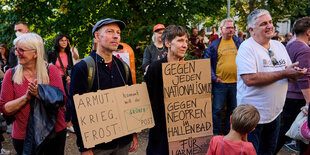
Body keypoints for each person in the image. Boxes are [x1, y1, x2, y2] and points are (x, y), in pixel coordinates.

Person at [236, 9, 307, 154]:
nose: (269, 26)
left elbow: (288, 74)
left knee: (268, 152)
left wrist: (296, 74)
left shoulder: (279, 46)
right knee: (251, 152)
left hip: (274, 114)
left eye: (270, 22)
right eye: (263, 24)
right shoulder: (246, 48)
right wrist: (284, 73)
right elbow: (250, 79)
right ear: (251, 30)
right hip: (251, 117)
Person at [70, 18, 138, 155]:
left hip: (123, 143)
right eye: (110, 31)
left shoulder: (123, 67)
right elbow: (75, 109)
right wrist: (84, 147)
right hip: (98, 147)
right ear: (97, 36)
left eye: (118, 33)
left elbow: (130, 102)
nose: (115, 36)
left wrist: (134, 133)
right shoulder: (83, 68)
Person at [0, 33, 66, 154]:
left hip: (53, 133)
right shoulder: (11, 74)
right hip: (23, 137)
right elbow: (5, 108)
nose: (16, 53)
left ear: (35, 53)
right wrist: (26, 98)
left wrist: (40, 93)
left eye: (22, 50)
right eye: (16, 49)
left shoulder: (51, 70)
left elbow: (62, 100)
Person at [145, 25, 189, 155]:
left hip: (183, 132)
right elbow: (147, 99)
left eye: (186, 41)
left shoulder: (190, 70)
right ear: (167, 43)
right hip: (160, 134)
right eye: (180, 40)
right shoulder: (155, 68)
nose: (185, 45)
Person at [275, 17, 310, 154]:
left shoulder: (290, 44)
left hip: (288, 93)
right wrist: (308, 101)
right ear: (308, 32)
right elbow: (304, 77)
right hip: (298, 96)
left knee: (291, 129)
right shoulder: (304, 49)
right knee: (296, 130)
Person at [204, 18, 243, 135]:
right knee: (216, 110)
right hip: (220, 84)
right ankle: (215, 134)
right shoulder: (214, 45)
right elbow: (206, 62)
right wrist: (214, 78)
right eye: (228, 27)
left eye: (232, 27)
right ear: (221, 29)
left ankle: (229, 133)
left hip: (236, 83)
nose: (231, 30)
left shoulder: (239, 42)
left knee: (233, 111)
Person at [48, 34, 74, 134]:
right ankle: (59, 125)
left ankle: (68, 123)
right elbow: (47, 67)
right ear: (57, 42)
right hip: (54, 81)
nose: (64, 42)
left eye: (65, 40)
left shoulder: (68, 53)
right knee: (57, 102)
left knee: (69, 102)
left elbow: (70, 66)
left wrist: (69, 76)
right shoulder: (52, 53)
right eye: (62, 40)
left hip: (65, 80)